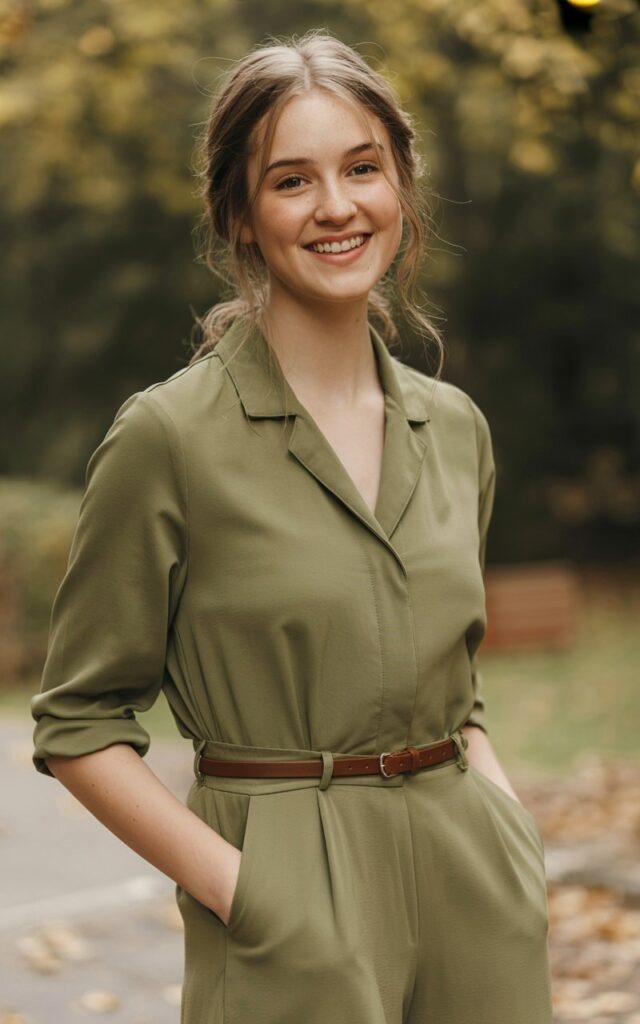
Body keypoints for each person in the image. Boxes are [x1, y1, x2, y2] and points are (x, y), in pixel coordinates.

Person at [31, 28, 554, 1024]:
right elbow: (79, 722)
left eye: (362, 167)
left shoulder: (453, 430)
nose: (336, 206)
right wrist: (252, 893)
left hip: (472, 888)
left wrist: (507, 830)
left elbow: (454, 677)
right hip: (286, 903)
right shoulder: (167, 438)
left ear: (401, 184)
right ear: (238, 214)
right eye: (291, 180)